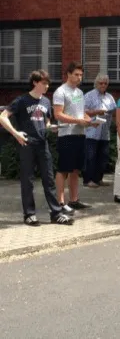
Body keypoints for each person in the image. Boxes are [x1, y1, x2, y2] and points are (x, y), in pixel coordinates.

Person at [0, 70, 74, 226]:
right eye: (43, 83)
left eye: (48, 84)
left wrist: (51, 127)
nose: (46, 86)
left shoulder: (46, 102)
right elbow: (2, 117)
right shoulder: (22, 101)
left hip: (42, 144)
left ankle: (56, 213)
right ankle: (29, 214)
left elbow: (45, 122)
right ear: (35, 82)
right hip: (26, 144)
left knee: (49, 179)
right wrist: (16, 133)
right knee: (28, 180)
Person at [53, 62, 96, 211]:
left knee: (76, 169)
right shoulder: (60, 92)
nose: (79, 78)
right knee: (63, 169)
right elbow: (58, 114)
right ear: (68, 74)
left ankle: (74, 200)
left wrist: (89, 120)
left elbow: (81, 112)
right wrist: (78, 120)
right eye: (76, 74)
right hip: (66, 134)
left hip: (80, 134)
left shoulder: (79, 93)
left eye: (81, 75)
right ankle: (60, 202)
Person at [83, 74, 116, 188]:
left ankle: (98, 179)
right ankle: (88, 180)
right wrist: (97, 112)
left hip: (104, 131)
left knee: (103, 157)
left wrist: (111, 112)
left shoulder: (109, 97)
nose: (103, 85)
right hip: (92, 130)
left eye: (105, 83)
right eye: (101, 83)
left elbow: (114, 110)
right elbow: (83, 112)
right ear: (96, 83)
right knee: (91, 157)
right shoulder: (89, 95)